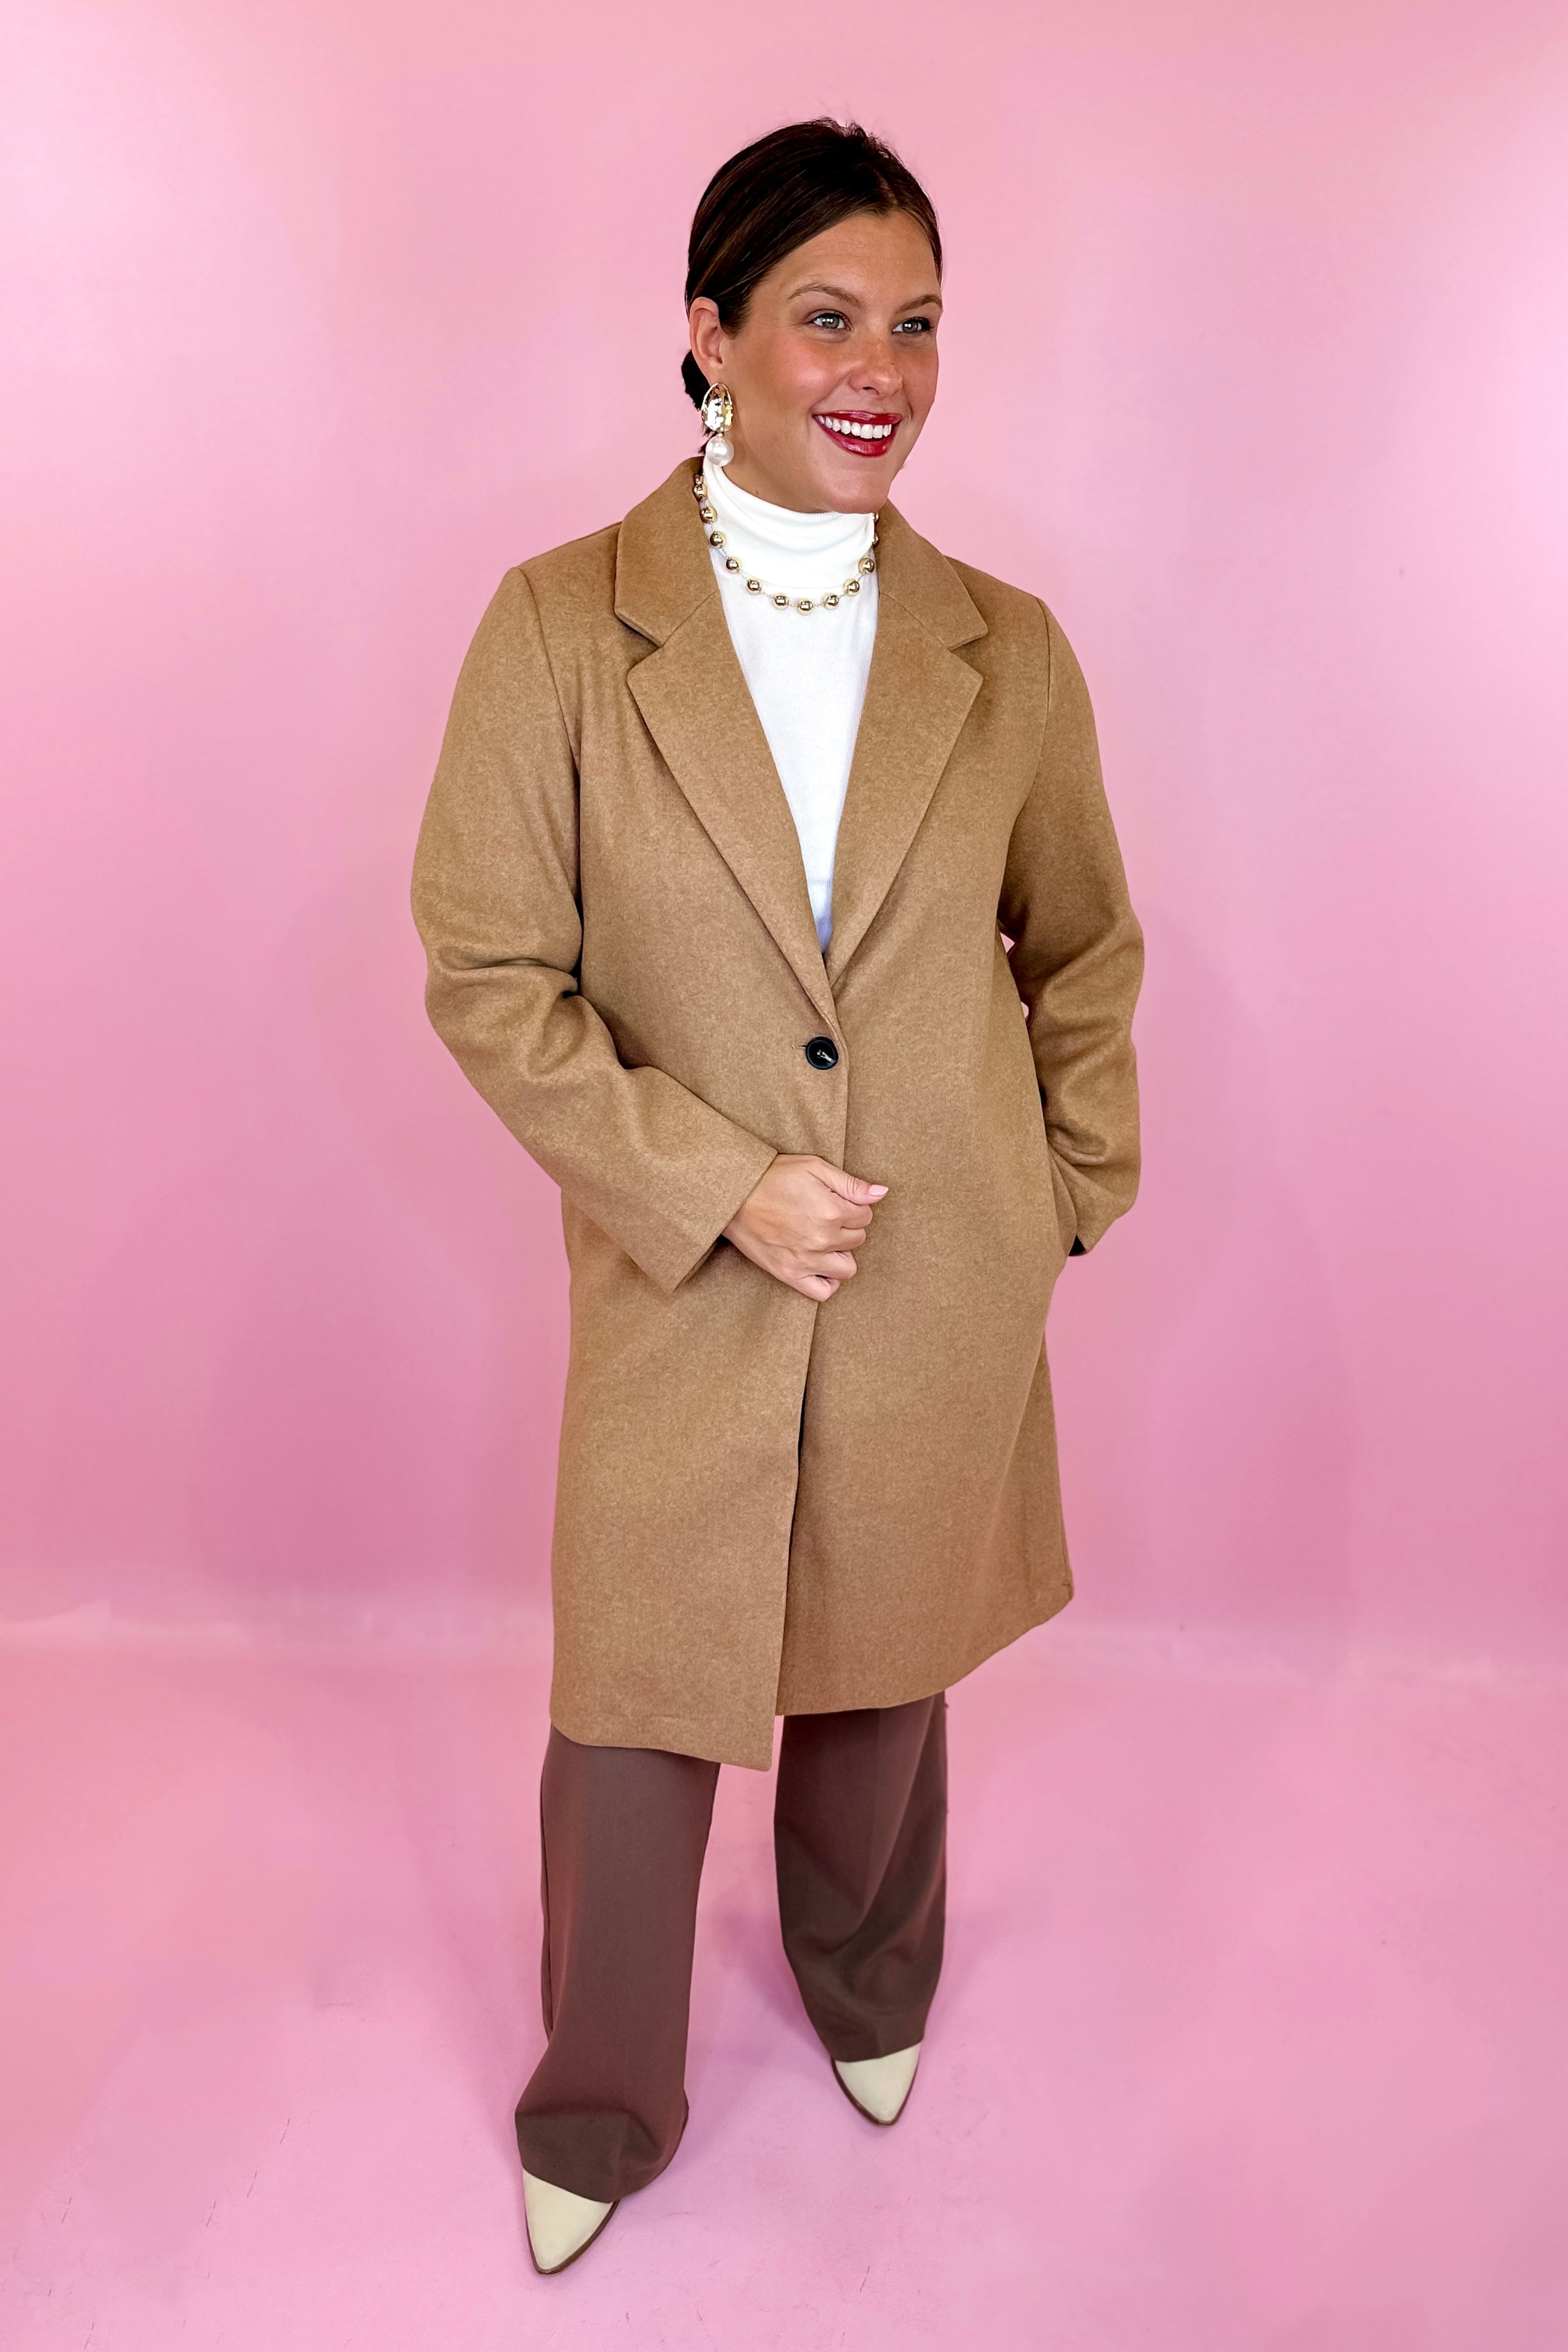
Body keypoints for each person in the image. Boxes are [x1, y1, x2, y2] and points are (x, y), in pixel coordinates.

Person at [411, 117, 1143, 2276]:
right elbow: (491, 973)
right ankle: (603, 2097)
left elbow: (1084, 947)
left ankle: (870, 1980)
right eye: (828, 317)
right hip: (686, 1276)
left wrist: (1060, 1194)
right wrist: (722, 1186)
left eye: (918, 324)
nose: (881, 370)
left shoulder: (1010, 650)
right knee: (640, 1701)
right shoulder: (559, 628)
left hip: (938, 1267)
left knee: (889, 1666)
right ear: (710, 334)